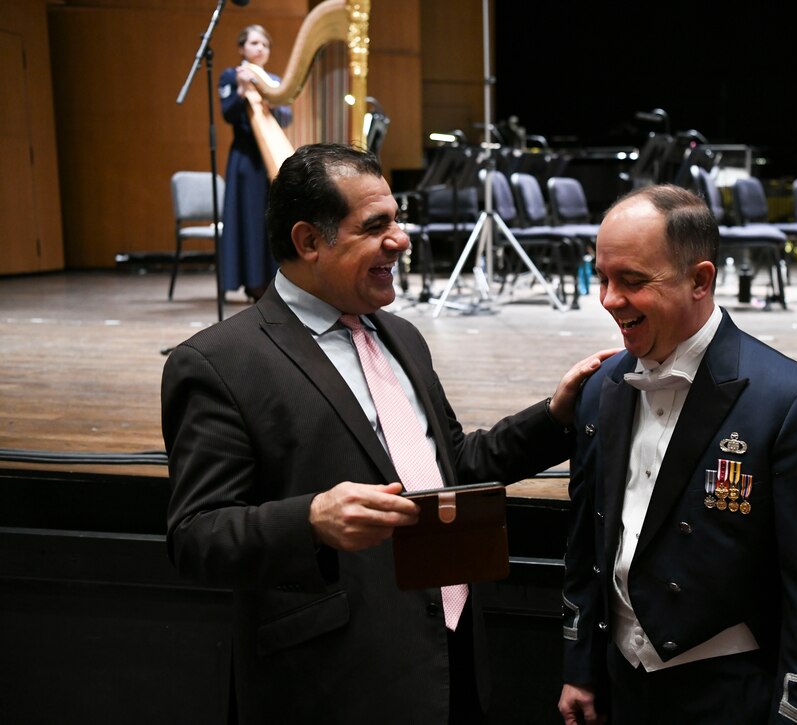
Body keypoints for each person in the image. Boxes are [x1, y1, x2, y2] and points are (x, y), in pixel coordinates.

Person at [162, 142, 613, 725]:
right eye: (376, 226)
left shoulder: (400, 336)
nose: (401, 239)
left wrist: (553, 416)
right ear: (308, 241)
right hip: (334, 682)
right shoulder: (220, 362)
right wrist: (310, 519)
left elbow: (453, 465)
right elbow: (196, 537)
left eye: (397, 219)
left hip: (450, 662)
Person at [558, 185, 797, 724]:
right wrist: (579, 664)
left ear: (700, 280)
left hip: (729, 696)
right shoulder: (601, 386)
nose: (608, 299)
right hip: (619, 686)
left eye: (631, 281)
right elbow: (585, 543)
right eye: (603, 278)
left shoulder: (792, 402)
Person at [218, 24, 292, 302]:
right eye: (254, 43)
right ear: (241, 48)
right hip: (246, 161)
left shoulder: (273, 80)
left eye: (265, 44)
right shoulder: (230, 75)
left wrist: (274, 101)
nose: (260, 48)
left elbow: (286, 117)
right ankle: (252, 281)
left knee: (270, 218)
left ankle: (273, 279)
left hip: (269, 160)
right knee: (250, 218)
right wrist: (240, 89)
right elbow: (228, 114)